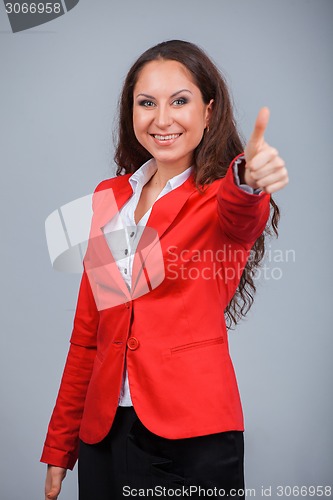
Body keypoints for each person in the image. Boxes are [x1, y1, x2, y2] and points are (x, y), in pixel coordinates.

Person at [41, 39, 288, 500]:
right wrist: (60, 444)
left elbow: (242, 211)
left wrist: (249, 181)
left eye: (180, 101)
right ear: (130, 112)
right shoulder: (110, 199)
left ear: (209, 111)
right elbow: (88, 334)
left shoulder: (218, 197)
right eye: (146, 103)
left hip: (193, 437)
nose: (162, 118)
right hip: (104, 434)